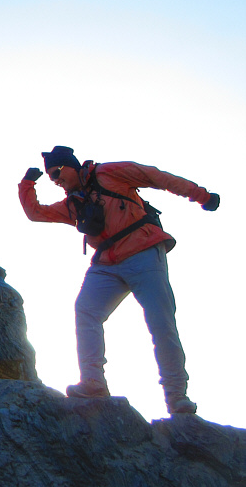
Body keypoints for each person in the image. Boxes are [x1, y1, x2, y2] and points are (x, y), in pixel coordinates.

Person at [18, 146, 220, 415]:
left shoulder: (109, 173)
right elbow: (36, 213)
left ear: (71, 165)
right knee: (86, 311)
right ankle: (93, 383)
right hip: (106, 264)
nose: (55, 180)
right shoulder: (73, 204)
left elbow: (156, 177)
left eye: (57, 172)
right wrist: (28, 184)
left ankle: (177, 397)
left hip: (143, 253)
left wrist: (201, 196)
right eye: (51, 177)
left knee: (161, 323)